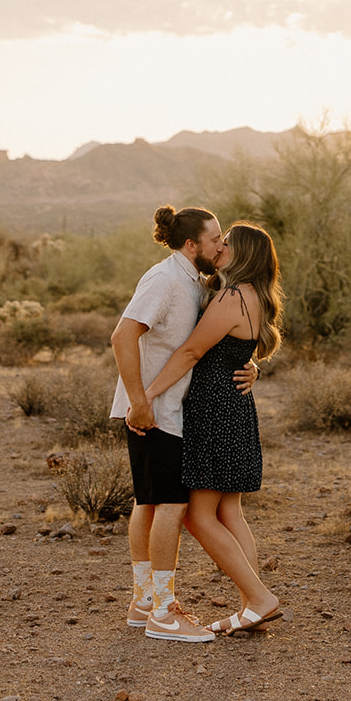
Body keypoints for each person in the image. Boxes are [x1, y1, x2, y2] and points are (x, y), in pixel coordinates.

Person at [110, 205, 257, 644]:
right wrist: (139, 401)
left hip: (170, 409)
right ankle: (163, 610)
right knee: (170, 506)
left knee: (151, 503)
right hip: (154, 411)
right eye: (215, 239)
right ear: (191, 244)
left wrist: (250, 366)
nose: (220, 245)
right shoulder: (165, 280)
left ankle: (144, 602)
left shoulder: (195, 282)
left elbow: (210, 344)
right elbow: (122, 336)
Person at [143, 222, 283, 635]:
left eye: (228, 243)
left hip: (214, 410)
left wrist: (147, 394)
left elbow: (190, 350)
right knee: (228, 511)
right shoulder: (253, 295)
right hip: (234, 407)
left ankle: (259, 599)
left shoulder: (233, 295)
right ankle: (253, 607)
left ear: (243, 254)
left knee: (199, 516)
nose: (220, 247)